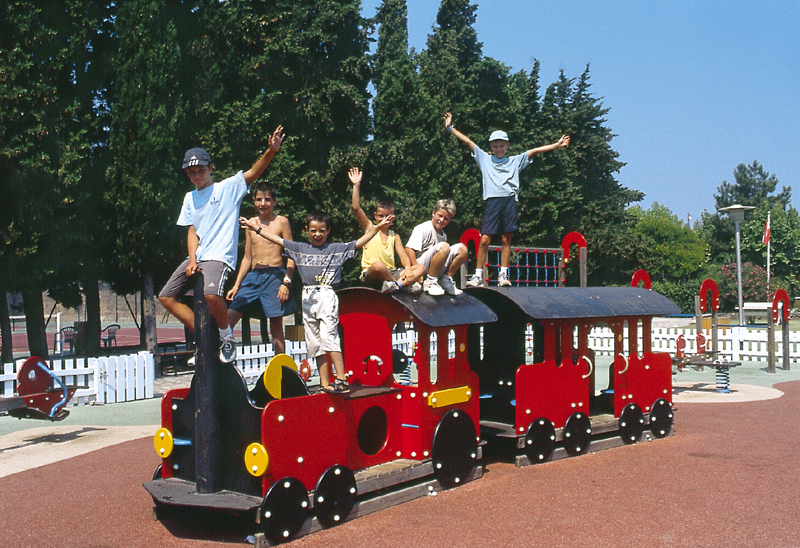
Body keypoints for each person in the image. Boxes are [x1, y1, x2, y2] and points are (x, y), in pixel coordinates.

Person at [158, 126, 284, 364]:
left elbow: (254, 173)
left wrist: (271, 151)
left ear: (210, 169)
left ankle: (226, 335)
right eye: (191, 172)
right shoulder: (189, 198)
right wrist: (192, 259)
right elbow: (192, 231)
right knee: (166, 296)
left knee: (210, 293)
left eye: (201, 171)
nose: (197, 176)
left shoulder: (227, 187)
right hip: (200, 255)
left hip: (219, 256)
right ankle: (206, 336)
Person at [241, 209, 394, 394]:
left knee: (329, 337)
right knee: (314, 341)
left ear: (328, 231)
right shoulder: (300, 249)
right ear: (307, 230)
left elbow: (360, 243)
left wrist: (377, 228)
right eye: (313, 230)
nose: (317, 234)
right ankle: (324, 383)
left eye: (321, 230)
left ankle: (342, 378)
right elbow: (276, 240)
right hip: (308, 296)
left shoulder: (335, 249)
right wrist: (254, 228)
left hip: (326, 294)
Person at [444, 112, 570, 287]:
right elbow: (467, 141)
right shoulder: (485, 159)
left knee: (505, 239)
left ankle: (503, 275)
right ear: (491, 147)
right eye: (495, 146)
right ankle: (478, 276)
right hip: (492, 202)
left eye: (502, 146)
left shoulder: (514, 161)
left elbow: (535, 150)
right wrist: (450, 128)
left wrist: (557, 145)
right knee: (485, 240)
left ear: (507, 146)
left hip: (508, 201)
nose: (499, 149)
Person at [226, 182, 296, 354]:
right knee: (228, 319)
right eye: (258, 200)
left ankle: (281, 366)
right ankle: (221, 357)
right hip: (254, 275)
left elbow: (292, 255)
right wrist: (236, 285)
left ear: (274, 201)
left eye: (267, 199)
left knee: (276, 326)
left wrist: (286, 282)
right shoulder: (251, 223)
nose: (262, 203)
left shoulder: (281, 222)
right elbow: (247, 258)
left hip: (275, 276)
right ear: (254, 202)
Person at [349, 167, 425, 294]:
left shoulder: (394, 236)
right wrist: (356, 185)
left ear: (393, 218)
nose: (383, 219)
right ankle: (401, 285)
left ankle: (397, 284)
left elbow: (403, 256)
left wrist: (408, 269)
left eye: (387, 217)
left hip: (391, 272)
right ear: (375, 216)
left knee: (421, 268)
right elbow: (356, 208)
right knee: (379, 266)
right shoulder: (369, 228)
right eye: (380, 216)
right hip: (373, 273)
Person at [404, 199, 468, 296]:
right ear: (433, 213)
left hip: (434, 267)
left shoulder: (443, 235)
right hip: (421, 265)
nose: (441, 220)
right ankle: (430, 282)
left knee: (462, 249)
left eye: (446, 219)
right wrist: (416, 272)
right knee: (445, 247)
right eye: (440, 216)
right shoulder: (423, 228)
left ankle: (445, 279)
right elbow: (409, 249)